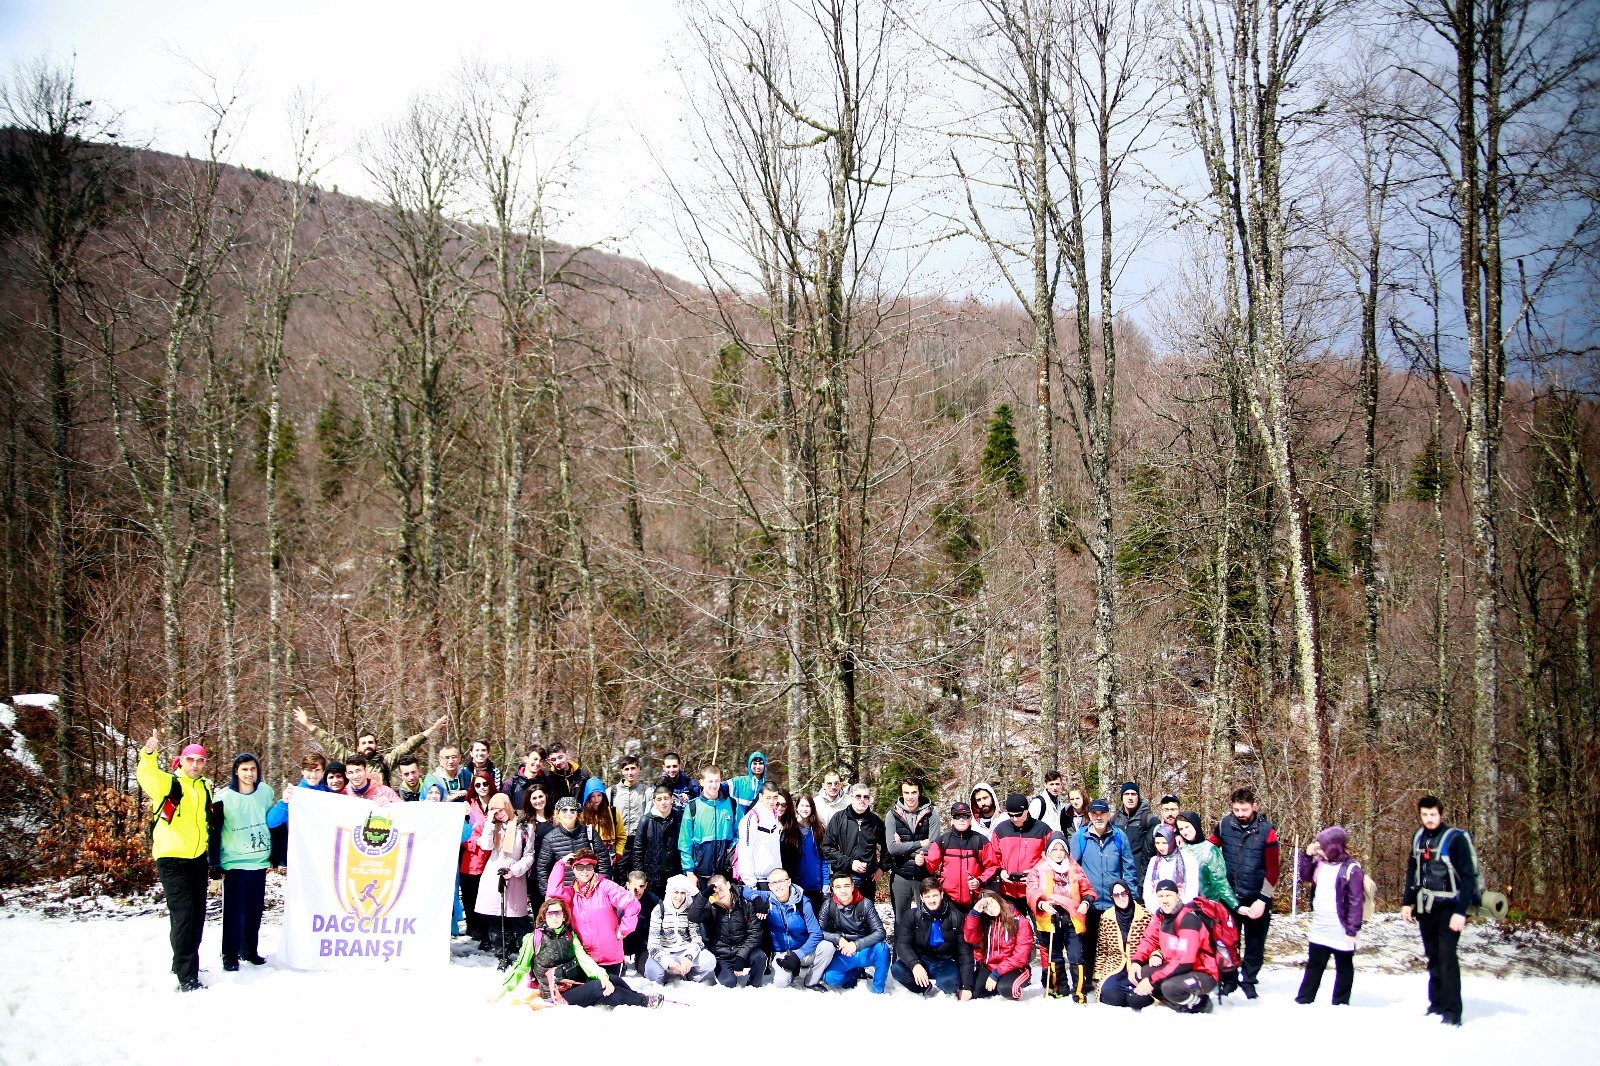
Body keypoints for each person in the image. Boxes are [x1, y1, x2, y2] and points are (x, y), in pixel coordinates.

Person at [136, 729, 213, 992]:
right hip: (171, 858)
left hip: (197, 858)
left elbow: (205, 821)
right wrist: (149, 753)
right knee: (184, 916)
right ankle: (187, 976)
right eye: (190, 760)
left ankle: (181, 962)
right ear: (181, 761)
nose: (195, 764)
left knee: (196, 916)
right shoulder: (169, 783)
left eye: (200, 760)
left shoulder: (204, 787)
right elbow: (146, 776)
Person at [1401, 795, 1479, 1026]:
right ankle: (1436, 1003)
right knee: (1433, 957)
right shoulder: (1418, 837)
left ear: (1441, 814)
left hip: (1449, 908)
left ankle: (1452, 1012)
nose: (1429, 819)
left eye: (1433, 814)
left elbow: (1468, 877)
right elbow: (1412, 870)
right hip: (1426, 908)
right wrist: (1407, 902)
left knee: (1447, 958)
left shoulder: (1455, 840)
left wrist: (1461, 911)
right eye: (1424, 815)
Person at [504, 896, 662, 1008]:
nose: (554, 917)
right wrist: (502, 991)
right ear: (544, 916)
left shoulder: (569, 935)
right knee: (600, 989)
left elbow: (584, 959)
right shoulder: (533, 938)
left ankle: (636, 997)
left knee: (612, 979)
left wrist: (602, 975)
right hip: (556, 993)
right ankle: (643, 1002)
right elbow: (520, 967)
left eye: (558, 913)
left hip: (574, 982)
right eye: (550, 913)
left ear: (564, 915)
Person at [1209, 786, 1279, 998]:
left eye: (1244, 809)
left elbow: (1273, 869)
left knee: (1255, 943)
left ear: (1254, 807)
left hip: (1256, 896)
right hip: (1230, 897)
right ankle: (1229, 979)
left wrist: (1263, 899)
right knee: (1227, 941)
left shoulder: (1267, 831)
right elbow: (1210, 848)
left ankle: (1249, 979)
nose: (1240, 814)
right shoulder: (1224, 825)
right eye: (1236, 809)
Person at [207, 752, 275, 972]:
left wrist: (275, 854)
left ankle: (250, 950)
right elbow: (214, 831)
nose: (249, 773)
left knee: (255, 910)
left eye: (253, 769)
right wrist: (214, 863)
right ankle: (230, 955)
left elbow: (272, 823)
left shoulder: (265, 792)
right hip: (234, 863)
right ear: (236, 771)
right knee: (234, 913)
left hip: (258, 861)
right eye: (244, 769)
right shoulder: (223, 797)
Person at [1295, 825, 1366, 1006]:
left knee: (1343, 967)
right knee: (1314, 966)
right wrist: (1307, 856)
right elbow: (1305, 876)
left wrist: (1351, 930)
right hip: (1320, 926)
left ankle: (1340, 1003)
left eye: (1322, 847)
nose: (1320, 850)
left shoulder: (1352, 869)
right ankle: (1304, 1001)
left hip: (1341, 927)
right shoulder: (1320, 863)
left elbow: (1356, 902)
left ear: (1334, 847)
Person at [290, 706, 448, 787]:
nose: (368, 746)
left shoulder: (385, 762)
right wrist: (309, 725)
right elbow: (330, 743)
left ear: (377, 745)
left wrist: (432, 729)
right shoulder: (350, 761)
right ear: (358, 748)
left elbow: (407, 746)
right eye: (364, 743)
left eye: (371, 742)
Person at [1128, 879, 1219, 1013]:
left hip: (1202, 973)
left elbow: (1184, 962)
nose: (1165, 900)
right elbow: (1149, 939)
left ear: (1178, 896)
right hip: (1176, 967)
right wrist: (1136, 961)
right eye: (1161, 896)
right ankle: (1174, 1000)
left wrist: (1153, 981)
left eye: (1169, 895)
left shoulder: (1188, 920)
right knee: (1140, 974)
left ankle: (1201, 1004)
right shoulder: (1161, 916)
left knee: (1169, 987)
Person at [1072, 798, 1137, 986]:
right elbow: (1073, 869)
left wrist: (1132, 896)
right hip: (1090, 901)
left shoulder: (1119, 836)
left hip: (1113, 901)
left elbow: (1129, 868)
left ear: (1109, 815)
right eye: (1094, 814)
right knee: (1089, 943)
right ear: (1089, 815)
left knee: (1113, 943)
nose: (1098, 818)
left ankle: (1111, 975)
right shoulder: (1080, 837)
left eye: (1102, 814)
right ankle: (1088, 977)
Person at [545, 850, 641, 974]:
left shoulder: (606, 886)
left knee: (612, 991)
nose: (585, 871)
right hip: (585, 960)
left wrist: (624, 929)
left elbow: (632, 903)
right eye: (580, 867)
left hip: (610, 957)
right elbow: (553, 892)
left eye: (588, 867)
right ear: (573, 869)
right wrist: (561, 864)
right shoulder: (571, 893)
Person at [1026, 830, 1094, 1000]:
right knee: (1054, 955)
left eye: (1061, 849)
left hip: (1072, 918)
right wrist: (1042, 903)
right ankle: (1059, 987)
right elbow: (1031, 892)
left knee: (1076, 955)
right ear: (1048, 851)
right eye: (1054, 849)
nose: (1058, 853)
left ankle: (1079, 992)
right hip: (1049, 917)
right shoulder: (1039, 869)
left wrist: (1086, 902)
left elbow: (1087, 890)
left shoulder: (1074, 868)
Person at [477, 791, 536, 968]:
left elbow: (529, 855)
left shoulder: (524, 827)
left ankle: (526, 952)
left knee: (517, 917)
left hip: (514, 876)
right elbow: (485, 845)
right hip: (493, 875)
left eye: (501, 810)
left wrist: (515, 870)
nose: (499, 815)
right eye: (495, 812)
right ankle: (502, 952)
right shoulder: (493, 827)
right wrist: (489, 822)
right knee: (495, 917)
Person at [750, 868, 834, 989]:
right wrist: (756, 898)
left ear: (789, 882)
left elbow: (816, 934)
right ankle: (791, 971)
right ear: (769, 886)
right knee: (781, 983)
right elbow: (742, 890)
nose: (778, 886)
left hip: (804, 951)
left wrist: (797, 955)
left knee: (827, 947)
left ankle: (811, 980)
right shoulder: (767, 898)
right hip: (783, 953)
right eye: (773, 883)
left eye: (781, 881)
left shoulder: (803, 902)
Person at [892, 877, 973, 998]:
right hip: (922, 958)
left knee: (950, 984)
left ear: (941, 894)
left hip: (945, 960)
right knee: (897, 969)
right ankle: (922, 986)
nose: (931, 901)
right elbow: (903, 944)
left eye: (934, 896)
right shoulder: (913, 915)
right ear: (921, 898)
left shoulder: (956, 917)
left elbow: (965, 952)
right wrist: (915, 965)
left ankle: (944, 983)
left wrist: (967, 986)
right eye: (927, 897)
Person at [689, 873, 769, 987]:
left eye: (720, 889)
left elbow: (755, 933)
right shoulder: (711, 906)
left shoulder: (745, 903)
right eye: (714, 892)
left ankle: (753, 986)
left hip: (744, 949)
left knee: (760, 957)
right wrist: (704, 895)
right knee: (728, 983)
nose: (718, 894)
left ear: (728, 885)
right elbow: (693, 917)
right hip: (722, 954)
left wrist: (741, 956)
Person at [817, 872, 890, 993]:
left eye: (846, 886)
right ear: (833, 889)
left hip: (862, 950)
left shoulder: (865, 904)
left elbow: (880, 932)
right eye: (838, 887)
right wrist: (838, 939)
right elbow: (819, 932)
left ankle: (878, 990)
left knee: (882, 949)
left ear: (852, 886)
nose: (843, 890)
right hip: (842, 951)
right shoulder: (828, 904)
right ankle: (852, 975)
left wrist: (856, 945)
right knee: (830, 978)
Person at [925, 801, 998, 914]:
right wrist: (921, 862)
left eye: (965, 816)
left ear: (970, 818)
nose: (961, 819)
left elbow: (992, 866)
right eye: (957, 816)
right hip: (949, 902)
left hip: (975, 901)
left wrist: (979, 881)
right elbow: (930, 865)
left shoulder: (981, 841)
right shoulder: (943, 841)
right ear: (952, 819)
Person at [645, 874, 717, 985]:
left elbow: (697, 939)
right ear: (670, 892)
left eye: (682, 893)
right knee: (652, 972)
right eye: (676, 892)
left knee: (710, 961)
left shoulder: (690, 909)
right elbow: (652, 945)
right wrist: (668, 963)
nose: (679, 897)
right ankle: (664, 977)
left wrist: (689, 957)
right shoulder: (659, 910)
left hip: (685, 950)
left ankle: (691, 975)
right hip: (665, 951)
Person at [885, 777, 939, 925]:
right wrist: (921, 844)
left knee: (927, 917)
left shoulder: (931, 814)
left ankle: (924, 948)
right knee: (901, 920)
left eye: (914, 792)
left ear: (919, 793)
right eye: (906, 792)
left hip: (924, 873)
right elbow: (892, 848)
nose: (910, 796)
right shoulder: (892, 815)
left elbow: (934, 844)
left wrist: (906, 849)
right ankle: (900, 948)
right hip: (901, 872)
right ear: (901, 794)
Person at [963, 889, 1033, 1000]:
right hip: (990, 967)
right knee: (975, 992)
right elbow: (970, 938)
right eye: (985, 908)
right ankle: (998, 985)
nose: (990, 909)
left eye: (991, 903)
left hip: (1014, 968)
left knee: (1006, 989)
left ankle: (1008, 984)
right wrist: (974, 913)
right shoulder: (985, 922)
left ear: (997, 899)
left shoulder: (1019, 921)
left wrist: (997, 973)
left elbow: (1020, 957)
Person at [1095, 881, 1154, 1009]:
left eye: (1124, 893)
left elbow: (1155, 942)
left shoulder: (1145, 916)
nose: (1121, 898)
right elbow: (1102, 949)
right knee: (1112, 997)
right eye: (1116, 895)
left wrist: (1156, 955)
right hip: (1115, 967)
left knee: (1138, 1000)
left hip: (1139, 967)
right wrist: (1097, 976)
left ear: (1129, 892)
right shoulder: (1107, 917)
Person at [821, 782, 885, 900]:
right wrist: (850, 863)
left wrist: (882, 868)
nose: (862, 800)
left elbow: (888, 847)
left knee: (865, 916)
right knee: (844, 917)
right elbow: (827, 848)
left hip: (867, 881)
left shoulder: (875, 822)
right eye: (858, 796)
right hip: (843, 880)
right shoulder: (839, 819)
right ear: (851, 798)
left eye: (866, 797)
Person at [265, 752, 327, 867]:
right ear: (302, 771)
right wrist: (284, 803)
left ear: (323, 771)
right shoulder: (294, 794)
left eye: (317, 770)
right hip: (299, 854)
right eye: (309, 770)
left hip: (323, 853)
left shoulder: (329, 794)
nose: (313, 774)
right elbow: (271, 822)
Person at [537, 796, 614, 886]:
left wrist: (602, 885)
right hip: (563, 891)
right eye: (564, 810)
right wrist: (548, 893)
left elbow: (603, 859)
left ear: (577, 814)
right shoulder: (549, 838)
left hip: (588, 888)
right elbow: (542, 869)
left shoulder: (589, 832)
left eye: (572, 810)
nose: (568, 813)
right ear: (558, 813)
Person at [991, 791, 1050, 910]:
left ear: (1027, 810)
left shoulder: (1043, 830)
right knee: (1013, 927)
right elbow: (993, 857)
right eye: (1011, 815)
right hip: (1008, 891)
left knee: (1041, 928)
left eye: (1018, 814)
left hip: (1035, 890)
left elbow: (1051, 859)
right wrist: (1000, 872)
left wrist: (1036, 873)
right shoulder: (1000, 830)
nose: (1015, 819)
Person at [677, 765, 738, 881]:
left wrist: (731, 848)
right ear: (702, 782)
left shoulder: (731, 804)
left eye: (717, 781)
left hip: (725, 871)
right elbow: (685, 841)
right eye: (710, 781)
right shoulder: (692, 807)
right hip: (701, 872)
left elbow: (740, 833)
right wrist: (689, 872)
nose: (714, 785)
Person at [460, 770, 497, 948]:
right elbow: (461, 831)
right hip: (471, 858)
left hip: (493, 857)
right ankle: (475, 929)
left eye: (485, 784)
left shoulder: (498, 803)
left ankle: (491, 931)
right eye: (478, 785)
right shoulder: (468, 806)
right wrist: (476, 842)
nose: (482, 788)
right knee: (471, 896)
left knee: (490, 897)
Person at [627, 785, 684, 896]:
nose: (663, 802)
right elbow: (638, 850)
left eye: (666, 798)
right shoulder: (646, 820)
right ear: (654, 801)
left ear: (672, 799)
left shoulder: (679, 818)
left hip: (674, 874)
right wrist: (640, 875)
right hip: (652, 877)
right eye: (659, 799)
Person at [1176, 811, 1238, 909]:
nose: (1184, 831)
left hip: (1208, 907)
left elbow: (1220, 883)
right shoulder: (1180, 849)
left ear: (1195, 825)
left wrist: (1235, 905)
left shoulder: (1210, 850)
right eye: (1181, 829)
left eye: (1187, 827)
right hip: (1185, 907)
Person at [736, 782, 785, 889]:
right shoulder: (751, 818)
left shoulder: (774, 814)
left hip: (775, 879)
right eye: (768, 797)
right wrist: (751, 884)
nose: (772, 801)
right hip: (757, 880)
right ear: (760, 796)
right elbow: (745, 851)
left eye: (775, 797)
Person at [1142, 824, 1194, 911]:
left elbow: (1192, 889)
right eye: (1157, 843)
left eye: (1164, 843)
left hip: (1182, 910)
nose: (1161, 847)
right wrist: (1156, 910)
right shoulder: (1154, 861)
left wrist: (1181, 910)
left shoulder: (1187, 858)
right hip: (1159, 911)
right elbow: (1148, 890)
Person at [1114, 782, 1159, 876]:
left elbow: (1153, 852)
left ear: (1138, 797)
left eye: (1133, 794)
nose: (1130, 797)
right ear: (1122, 797)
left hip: (1140, 875)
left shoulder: (1149, 820)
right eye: (1126, 794)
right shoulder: (1115, 819)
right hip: (1118, 874)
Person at [621, 870, 660, 976]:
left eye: (641, 886)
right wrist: (630, 900)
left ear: (646, 885)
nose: (637, 890)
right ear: (628, 885)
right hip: (621, 941)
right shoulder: (618, 897)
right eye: (634, 886)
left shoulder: (653, 901)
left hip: (642, 941)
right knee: (618, 972)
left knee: (644, 970)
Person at [579, 776, 626, 863]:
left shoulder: (612, 812)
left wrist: (619, 852)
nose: (596, 799)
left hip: (610, 855)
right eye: (593, 796)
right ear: (587, 797)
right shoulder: (582, 815)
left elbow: (621, 836)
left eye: (599, 795)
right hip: (589, 856)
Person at [609, 756, 653, 845]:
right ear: (622, 771)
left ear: (639, 769)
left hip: (641, 840)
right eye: (626, 769)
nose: (630, 772)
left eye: (633, 768)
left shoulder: (647, 791)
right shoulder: (612, 792)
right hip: (619, 841)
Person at [503, 746, 549, 812]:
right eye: (535, 759)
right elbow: (505, 808)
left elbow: (551, 806)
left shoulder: (546, 782)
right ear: (525, 759)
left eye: (541, 760)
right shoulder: (511, 783)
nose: (537, 763)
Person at [727, 750, 769, 821]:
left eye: (760, 763)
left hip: (759, 828)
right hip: (739, 827)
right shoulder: (739, 782)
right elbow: (718, 787)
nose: (758, 767)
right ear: (750, 765)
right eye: (755, 763)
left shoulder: (767, 786)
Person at [1028, 769, 1067, 833]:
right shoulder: (1038, 802)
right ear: (1045, 785)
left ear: (1061, 785)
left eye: (1057, 784)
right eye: (1051, 784)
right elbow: (1030, 825)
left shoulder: (1061, 803)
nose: (1054, 788)